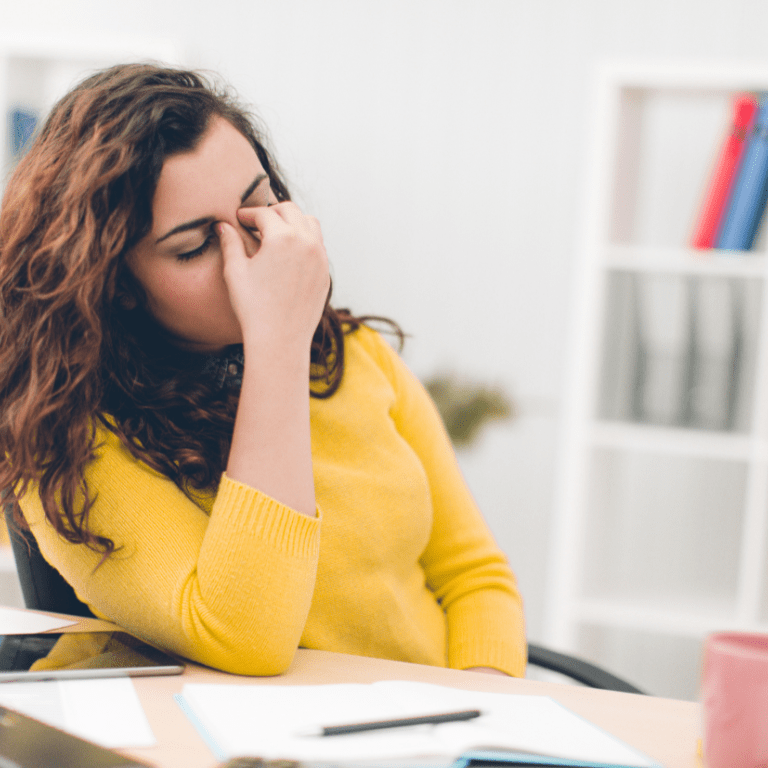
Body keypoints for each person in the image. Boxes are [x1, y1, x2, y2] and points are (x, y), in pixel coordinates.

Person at [0, 63, 526, 677]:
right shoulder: (68, 440)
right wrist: (275, 341)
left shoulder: (352, 353)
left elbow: (475, 576)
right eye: (194, 246)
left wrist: (487, 714)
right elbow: (244, 634)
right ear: (115, 283)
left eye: (260, 206)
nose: (256, 254)